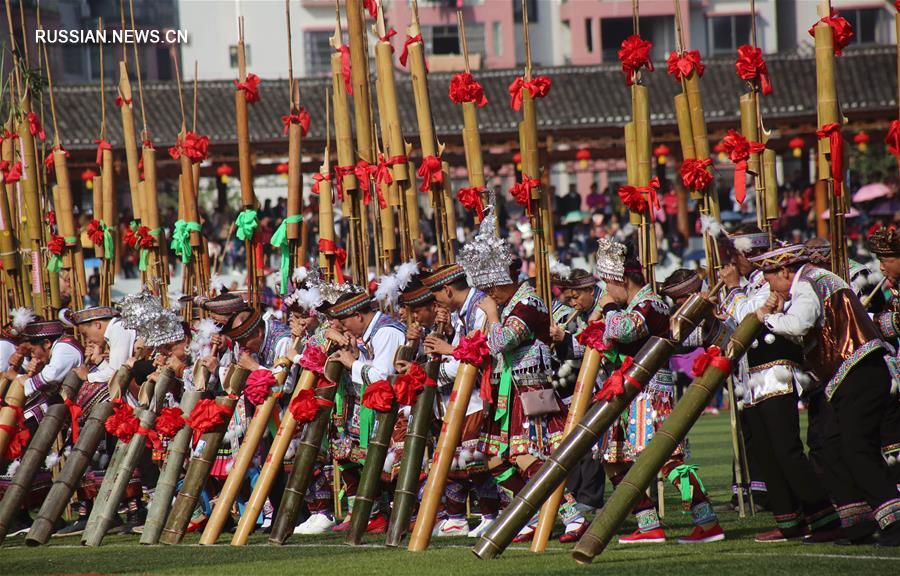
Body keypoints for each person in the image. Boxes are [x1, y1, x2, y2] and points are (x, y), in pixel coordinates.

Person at [751, 243, 900, 546]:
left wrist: (766, 317)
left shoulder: (807, 283)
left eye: (770, 279)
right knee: (832, 448)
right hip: (855, 373)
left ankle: (894, 523)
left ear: (784, 270)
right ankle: (856, 524)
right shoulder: (818, 279)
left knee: (858, 449)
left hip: (858, 370)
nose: (770, 287)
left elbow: (798, 324)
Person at [594, 239, 723, 544]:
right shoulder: (638, 305)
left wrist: (609, 308)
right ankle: (648, 523)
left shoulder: (651, 303)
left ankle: (706, 521)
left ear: (621, 280)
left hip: (650, 392)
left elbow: (623, 330)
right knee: (614, 459)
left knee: (667, 459)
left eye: (608, 285)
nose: (607, 292)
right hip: (627, 392)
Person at [458, 205, 569, 543]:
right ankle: (533, 513)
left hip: (528, 391)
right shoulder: (511, 304)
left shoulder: (528, 304)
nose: (490, 295)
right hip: (509, 392)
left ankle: (572, 514)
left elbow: (500, 342)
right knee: (494, 460)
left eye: (493, 288)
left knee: (529, 457)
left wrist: (491, 314)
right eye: (487, 290)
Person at [418, 264, 501, 539]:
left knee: (476, 460)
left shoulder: (480, 309)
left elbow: (484, 351)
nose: (436, 303)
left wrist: (446, 352)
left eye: (436, 296)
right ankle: (459, 518)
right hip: (463, 397)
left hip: (480, 397)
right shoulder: (466, 311)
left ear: (447, 290)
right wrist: (450, 332)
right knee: (458, 461)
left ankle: (492, 515)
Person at [324, 289, 405, 534]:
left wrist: (352, 363)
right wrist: (356, 355)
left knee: (393, 467)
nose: (342, 326)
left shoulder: (386, 332)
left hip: (401, 411)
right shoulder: (374, 332)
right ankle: (379, 516)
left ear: (359, 316)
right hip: (384, 409)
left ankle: (411, 515)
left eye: (345, 320)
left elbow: (383, 377)